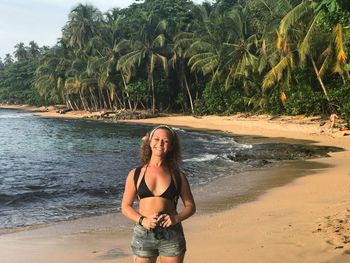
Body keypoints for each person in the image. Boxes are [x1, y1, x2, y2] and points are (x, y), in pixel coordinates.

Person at [121, 125, 196, 263]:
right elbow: (126, 206)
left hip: (172, 234)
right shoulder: (135, 174)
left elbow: (190, 206)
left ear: (172, 146)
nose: (160, 143)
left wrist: (176, 218)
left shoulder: (178, 176)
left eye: (166, 141)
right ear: (149, 142)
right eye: (156, 139)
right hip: (144, 232)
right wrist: (143, 220)